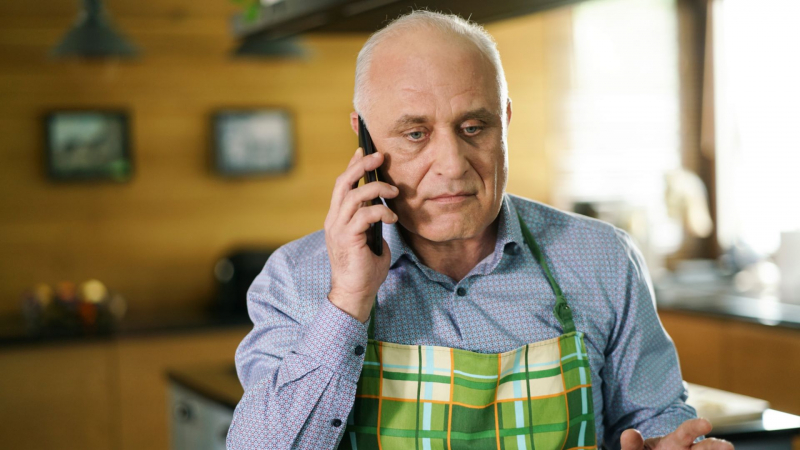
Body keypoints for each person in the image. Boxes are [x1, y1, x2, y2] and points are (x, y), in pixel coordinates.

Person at [226, 10, 733, 450]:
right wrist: (348, 302)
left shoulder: (603, 257)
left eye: (473, 128)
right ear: (363, 135)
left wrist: (669, 442)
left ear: (505, 121)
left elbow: (657, 418)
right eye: (415, 134)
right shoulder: (296, 279)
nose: (452, 164)